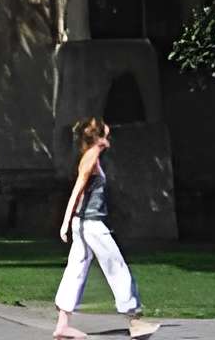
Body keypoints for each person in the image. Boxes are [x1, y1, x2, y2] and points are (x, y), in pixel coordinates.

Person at [53, 115, 156, 340]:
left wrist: (70, 223)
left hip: (83, 224)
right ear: (98, 139)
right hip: (90, 225)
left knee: (76, 271)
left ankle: (62, 325)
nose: (110, 139)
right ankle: (135, 320)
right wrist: (65, 223)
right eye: (107, 135)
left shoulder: (93, 156)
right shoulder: (91, 158)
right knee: (116, 265)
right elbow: (77, 191)